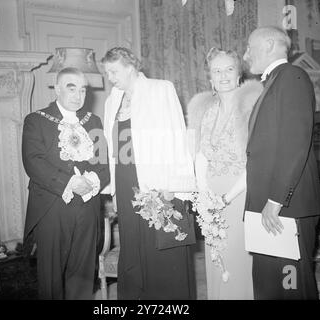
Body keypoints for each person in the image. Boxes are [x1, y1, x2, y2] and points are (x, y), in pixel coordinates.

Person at [101, 47, 197, 300]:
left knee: (161, 247)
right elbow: (111, 148)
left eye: (113, 71)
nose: (110, 77)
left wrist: (176, 185)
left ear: (130, 66)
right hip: (124, 180)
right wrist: (114, 192)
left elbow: (177, 136)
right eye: (107, 72)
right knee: (133, 246)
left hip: (156, 181)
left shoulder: (160, 89)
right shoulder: (113, 100)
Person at [243, 26, 320, 299]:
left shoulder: (291, 76)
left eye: (249, 48)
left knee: (291, 289)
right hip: (271, 207)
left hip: (285, 208)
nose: (245, 56)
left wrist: (276, 200)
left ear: (269, 45)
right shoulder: (275, 81)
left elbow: (294, 142)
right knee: (272, 287)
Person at [22, 67, 109, 299]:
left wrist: (91, 181)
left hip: (88, 206)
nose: (78, 95)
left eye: (82, 90)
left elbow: (104, 165)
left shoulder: (93, 121)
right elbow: (33, 162)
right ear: (57, 89)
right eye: (71, 89)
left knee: (82, 274)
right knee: (51, 277)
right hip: (52, 207)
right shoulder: (36, 120)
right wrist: (70, 182)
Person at [187, 48, 263, 299]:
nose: (223, 76)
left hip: (241, 193)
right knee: (217, 261)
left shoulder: (253, 108)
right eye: (217, 71)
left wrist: (226, 198)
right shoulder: (205, 111)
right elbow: (200, 154)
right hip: (211, 196)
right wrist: (203, 193)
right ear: (210, 78)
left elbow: (255, 162)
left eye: (229, 69)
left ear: (239, 74)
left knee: (237, 260)